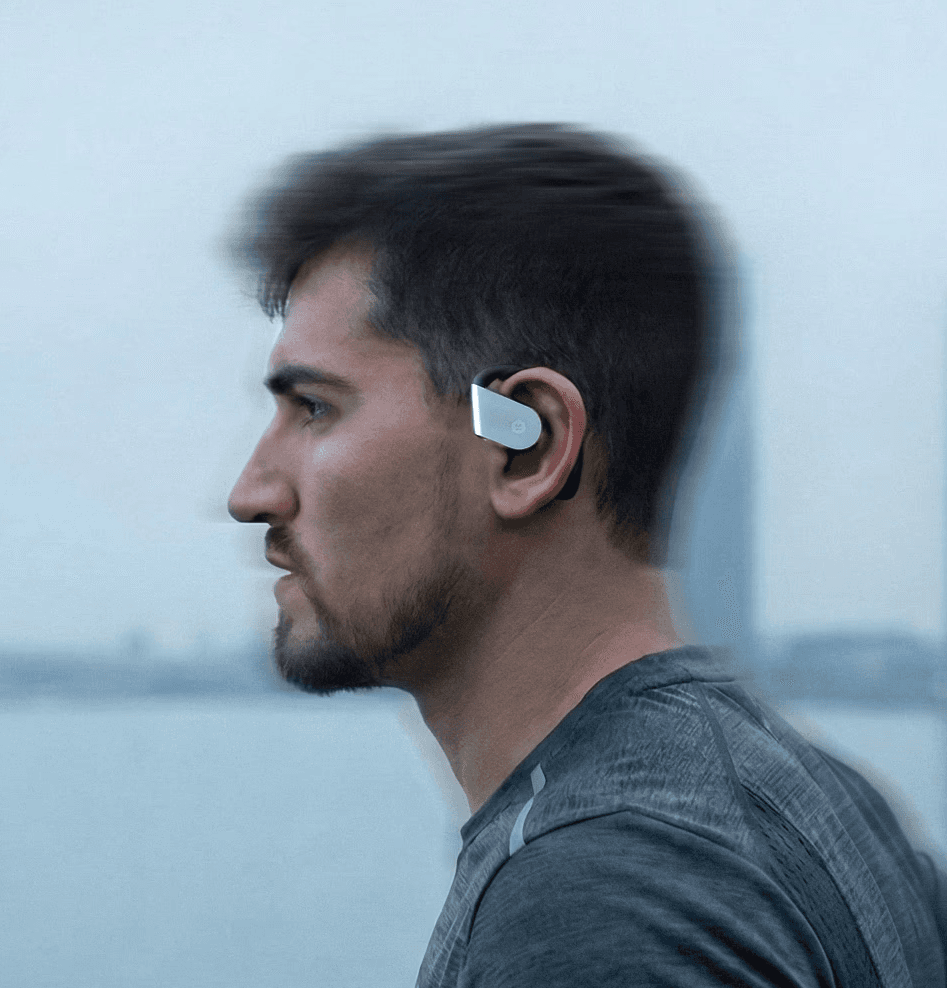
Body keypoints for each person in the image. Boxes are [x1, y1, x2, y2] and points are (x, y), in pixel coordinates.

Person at [226, 124, 946, 986]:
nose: (251, 492)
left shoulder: (591, 901)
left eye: (314, 408)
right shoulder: (815, 799)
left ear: (524, 448)